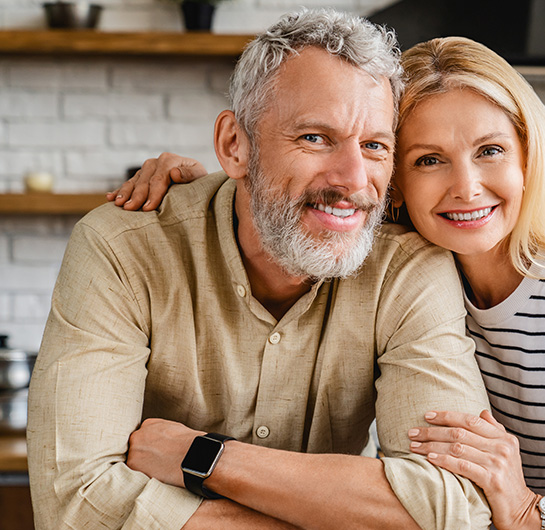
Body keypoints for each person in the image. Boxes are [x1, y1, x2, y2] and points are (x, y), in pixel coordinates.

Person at [124, 36, 545, 530]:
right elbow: (305, 180)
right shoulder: (418, 274)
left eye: (490, 150)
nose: (466, 186)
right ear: (397, 185)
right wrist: (205, 186)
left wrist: (533, 511)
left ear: (530, 154)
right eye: (429, 159)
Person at [26, 10, 494, 530]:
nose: (353, 179)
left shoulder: (407, 269)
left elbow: (456, 507)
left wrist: (204, 458)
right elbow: (75, 503)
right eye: (315, 138)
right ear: (235, 145)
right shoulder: (122, 250)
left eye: (374, 146)